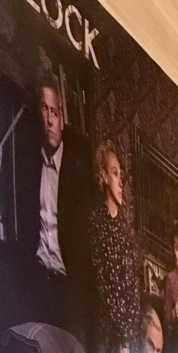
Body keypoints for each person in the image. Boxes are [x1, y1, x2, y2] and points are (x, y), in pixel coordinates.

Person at [13, 68, 90, 338]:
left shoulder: (78, 170)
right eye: (44, 111)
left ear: (62, 118)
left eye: (54, 112)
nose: (49, 120)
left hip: (67, 286)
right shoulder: (30, 165)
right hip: (37, 280)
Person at [87, 140, 140, 353]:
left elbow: (132, 283)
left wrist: (129, 337)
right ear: (104, 177)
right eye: (115, 174)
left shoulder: (126, 226)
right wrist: (122, 339)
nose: (120, 182)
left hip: (130, 332)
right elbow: (105, 284)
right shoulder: (96, 222)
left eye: (121, 175)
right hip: (109, 332)